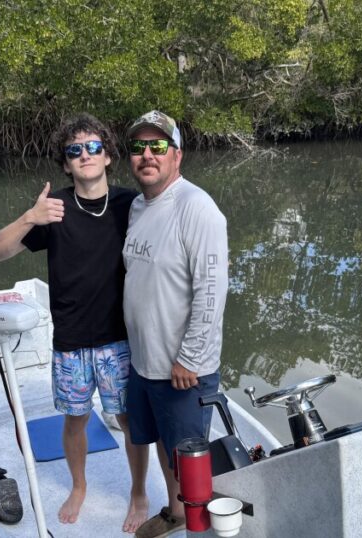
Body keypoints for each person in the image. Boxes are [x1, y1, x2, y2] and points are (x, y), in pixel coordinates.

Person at [0, 113, 149, 532]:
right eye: (74, 150)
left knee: (130, 420)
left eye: (94, 147)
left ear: (109, 155)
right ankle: (79, 486)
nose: (85, 155)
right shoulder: (52, 209)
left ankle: (137, 491)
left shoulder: (131, 204)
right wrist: (29, 217)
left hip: (121, 340)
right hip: (72, 341)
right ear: (65, 162)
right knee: (75, 419)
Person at [121, 110, 229, 538]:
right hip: (145, 363)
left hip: (183, 370)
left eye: (158, 146)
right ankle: (177, 513)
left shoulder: (197, 208)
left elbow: (212, 290)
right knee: (166, 449)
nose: (147, 155)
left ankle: (197, 527)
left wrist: (190, 358)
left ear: (177, 155)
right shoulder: (136, 207)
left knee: (191, 462)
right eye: (138, 147)